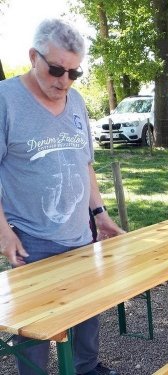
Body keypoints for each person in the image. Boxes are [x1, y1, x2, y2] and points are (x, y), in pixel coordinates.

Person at [0, 19, 124, 375]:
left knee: (86, 312)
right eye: (56, 69)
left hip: (80, 234)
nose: (64, 81)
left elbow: (84, 163)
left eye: (74, 73)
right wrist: (5, 233)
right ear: (32, 57)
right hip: (31, 240)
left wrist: (100, 214)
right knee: (35, 328)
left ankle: (88, 370)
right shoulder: (5, 101)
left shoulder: (76, 102)